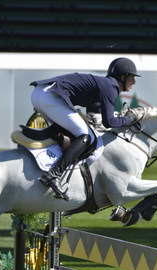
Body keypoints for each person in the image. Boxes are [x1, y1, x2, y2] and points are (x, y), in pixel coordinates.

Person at [30, 57, 141, 200]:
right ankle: (53, 175)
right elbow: (109, 123)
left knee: (75, 131)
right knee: (87, 137)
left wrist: (122, 119)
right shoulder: (111, 87)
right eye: (132, 77)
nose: (134, 82)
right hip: (49, 95)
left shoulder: (105, 85)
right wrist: (130, 119)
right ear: (123, 77)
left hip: (40, 93)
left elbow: (97, 115)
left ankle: (51, 163)